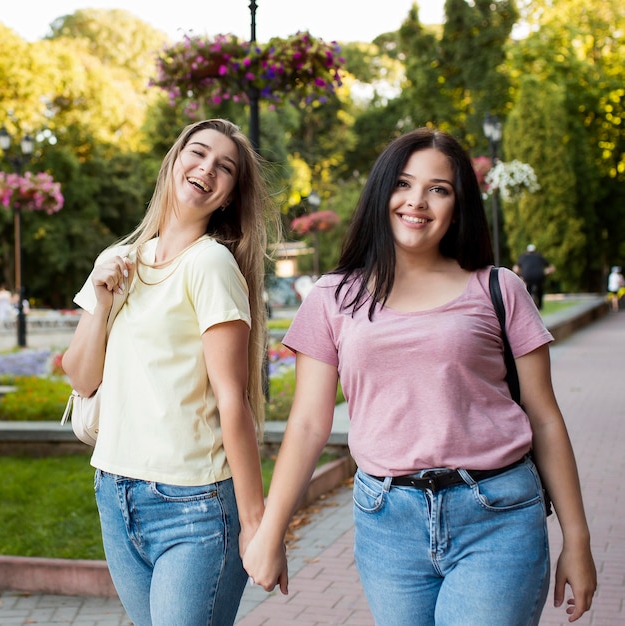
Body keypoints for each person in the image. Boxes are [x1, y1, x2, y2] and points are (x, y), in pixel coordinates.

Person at [243, 128, 596, 625]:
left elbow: (544, 418)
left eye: (439, 189)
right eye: (404, 184)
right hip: (386, 525)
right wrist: (271, 532)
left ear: (458, 205)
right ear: (382, 192)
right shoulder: (333, 297)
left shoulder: (499, 289)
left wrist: (576, 540)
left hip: (496, 516)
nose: (417, 201)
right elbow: (306, 424)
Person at [62, 119, 279, 626]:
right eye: (198, 154)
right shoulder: (120, 261)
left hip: (194, 506)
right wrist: (100, 298)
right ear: (173, 161)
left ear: (228, 195)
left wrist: (256, 526)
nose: (207, 169)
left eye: (224, 167)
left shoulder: (211, 266)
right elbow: (81, 377)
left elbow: (233, 399)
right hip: (116, 492)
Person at [513, 243, 555, 309]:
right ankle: (540, 306)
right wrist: (545, 272)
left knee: (527, 290)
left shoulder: (523, 257)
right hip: (539, 275)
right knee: (540, 289)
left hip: (527, 276)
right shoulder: (539, 257)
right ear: (536, 251)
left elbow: (515, 269)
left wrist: (520, 275)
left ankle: (528, 306)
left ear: (526, 251)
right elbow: (552, 268)